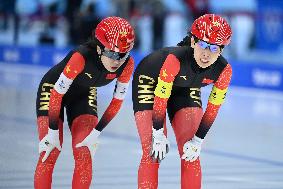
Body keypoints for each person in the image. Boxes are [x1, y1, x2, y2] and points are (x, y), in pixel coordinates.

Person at [132, 14, 232, 189]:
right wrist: (157, 133)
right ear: (193, 42)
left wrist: (198, 142)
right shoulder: (175, 59)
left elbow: (212, 109)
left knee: (191, 154)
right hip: (151, 82)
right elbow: (161, 98)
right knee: (152, 151)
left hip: (185, 88)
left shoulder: (224, 70)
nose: (207, 54)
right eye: (203, 44)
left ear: (221, 50)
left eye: (214, 48)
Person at [34, 16, 135, 189]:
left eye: (122, 55)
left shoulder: (127, 65)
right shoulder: (80, 57)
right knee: (49, 151)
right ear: (98, 48)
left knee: (84, 154)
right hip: (53, 91)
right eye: (111, 53)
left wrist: (96, 132)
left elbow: (117, 102)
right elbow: (57, 94)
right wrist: (51, 131)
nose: (116, 60)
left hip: (84, 94)